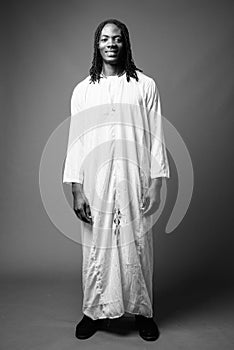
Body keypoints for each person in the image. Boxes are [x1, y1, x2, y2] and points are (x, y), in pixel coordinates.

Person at [63, 18, 170, 341]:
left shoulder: (145, 86)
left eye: (118, 39)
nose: (112, 44)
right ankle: (93, 311)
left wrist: (156, 181)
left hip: (134, 176)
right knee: (96, 244)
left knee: (137, 244)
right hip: (94, 180)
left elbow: (155, 137)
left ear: (126, 44)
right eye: (105, 39)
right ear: (97, 44)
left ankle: (142, 312)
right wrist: (76, 188)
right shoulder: (84, 90)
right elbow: (76, 140)